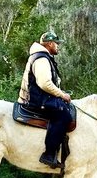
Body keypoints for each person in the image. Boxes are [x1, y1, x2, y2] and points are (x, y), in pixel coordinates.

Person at [18, 31, 73, 168]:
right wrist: (62, 95)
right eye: (56, 44)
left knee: (64, 108)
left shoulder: (42, 56)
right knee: (63, 115)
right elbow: (45, 83)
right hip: (37, 101)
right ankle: (49, 154)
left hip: (40, 98)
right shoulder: (42, 59)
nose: (58, 46)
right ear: (49, 44)